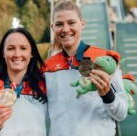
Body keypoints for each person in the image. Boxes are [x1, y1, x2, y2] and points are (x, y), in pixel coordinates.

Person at [41, 0, 128, 136]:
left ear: (82, 24)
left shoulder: (104, 60)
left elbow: (121, 113)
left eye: (71, 22)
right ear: (52, 28)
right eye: (59, 24)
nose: (65, 29)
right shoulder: (47, 67)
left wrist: (107, 94)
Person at [0, 27, 47, 136]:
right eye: (11, 48)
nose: (17, 54)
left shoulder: (45, 88)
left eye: (23, 48)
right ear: (3, 53)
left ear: (31, 53)